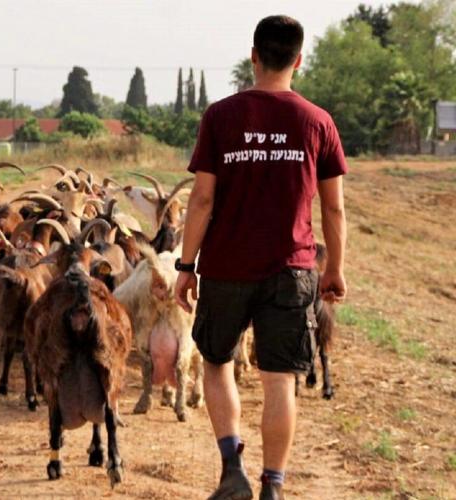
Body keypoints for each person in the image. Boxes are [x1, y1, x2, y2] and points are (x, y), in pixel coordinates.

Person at [174, 15, 348, 500]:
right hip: (291, 271)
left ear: (253, 56)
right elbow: (333, 206)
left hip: (226, 267)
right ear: (298, 60)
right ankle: (273, 487)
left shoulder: (221, 116)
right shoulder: (318, 122)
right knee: (280, 381)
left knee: (217, 363)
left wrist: (186, 267)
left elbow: (202, 199)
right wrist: (333, 268)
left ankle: (233, 470)